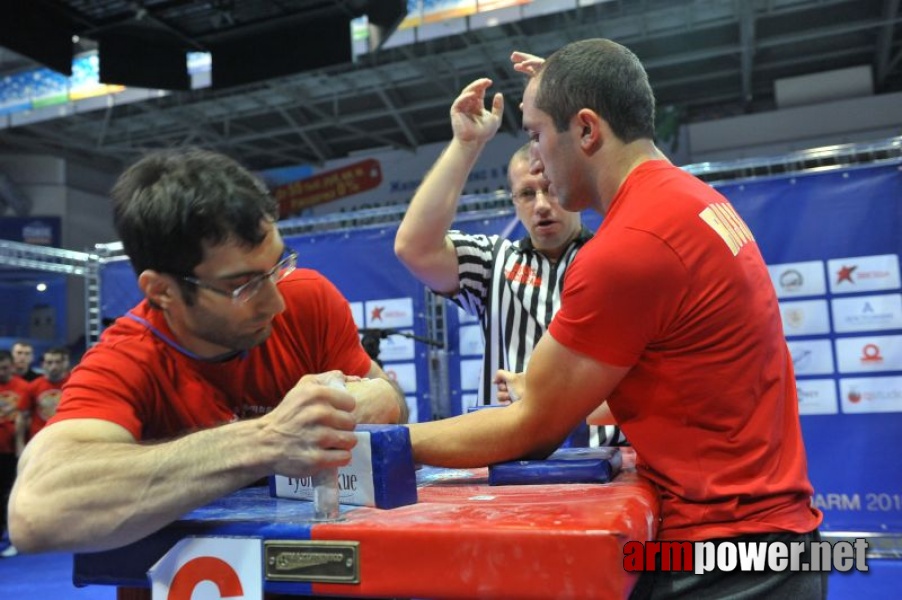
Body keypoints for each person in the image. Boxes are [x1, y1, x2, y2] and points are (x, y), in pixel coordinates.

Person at [408, 39, 824, 599]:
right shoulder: (686, 197)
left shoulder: (632, 245)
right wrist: (570, 83)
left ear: (585, 130)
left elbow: (532, 428)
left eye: (535, 135)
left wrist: (384, 440)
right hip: (765, 545)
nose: (536, 160)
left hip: (726, 561)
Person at [8, 148, 408, 556]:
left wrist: (381, 397)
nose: (275, 303)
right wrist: (268, 440)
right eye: (244, 284)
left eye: (276, 266)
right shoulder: (128, 358)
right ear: (162, 291)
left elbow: (387, 398)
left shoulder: (308, 298)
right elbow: (36, 513)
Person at [395, 78, 624, 446]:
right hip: (511, 466)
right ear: (514, 202)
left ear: (569, 180)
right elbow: (414, 247)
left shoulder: (617, 257)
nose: (543, 205)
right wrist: (466, 144)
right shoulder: (493, 261)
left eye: (549, 188)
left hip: (610, 463)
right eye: (527, 194)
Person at [0, 350, 29, 558]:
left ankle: (14, 538)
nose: (1, 372)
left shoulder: (24, 387)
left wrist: (20, 445)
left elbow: (24, 419)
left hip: (12, 452)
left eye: (5, 367)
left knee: (11, 497)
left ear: (12, 366)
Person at [16, 346, 71, 452]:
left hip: (65, 439)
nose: (53, 366)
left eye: (57, 362)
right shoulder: (33, 386)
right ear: (43, 364)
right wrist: (19, 444)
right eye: (49, 362)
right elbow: (22, 417)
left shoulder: (74, 383)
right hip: (39, 441)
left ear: (65, 363)